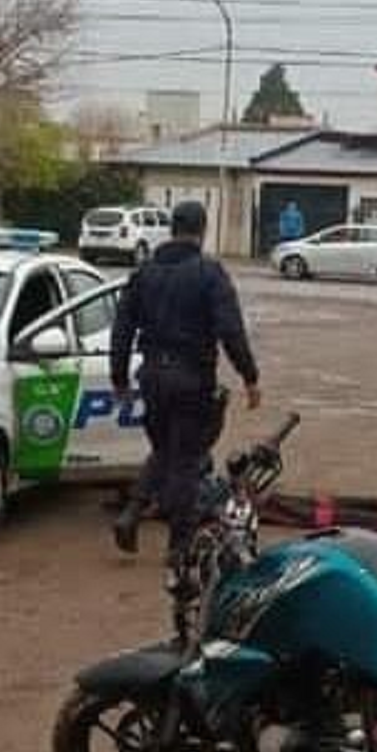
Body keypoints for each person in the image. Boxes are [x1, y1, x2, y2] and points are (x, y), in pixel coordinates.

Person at [109, 199, 262, 567]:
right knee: (187, 461)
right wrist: (250, 377)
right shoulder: (209, 272)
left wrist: (119, 378)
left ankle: (131, 514)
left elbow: (122, 328)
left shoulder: (144, 272)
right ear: (203, 230)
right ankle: (179, 544)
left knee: (164, 451)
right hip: (191, 379)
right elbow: (230, 329)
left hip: (152, 377)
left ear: (172, 229)